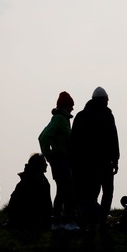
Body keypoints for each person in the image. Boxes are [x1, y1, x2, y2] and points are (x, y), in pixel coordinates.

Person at [70, 86, 120, 230]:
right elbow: (113, 138)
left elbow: (74, 142)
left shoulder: (81, 116)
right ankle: (102, 221)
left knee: (91, 194)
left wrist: (75, 163)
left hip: (87, 163)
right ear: (104, 100)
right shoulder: (107, 115)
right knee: (107, 192)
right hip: (104, 162)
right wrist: (115, 159)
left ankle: (90, 222)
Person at [38, 91, 78, 231]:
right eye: (71, 106)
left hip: (63, 160)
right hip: (61, 160)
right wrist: (49, 156)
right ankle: (67, 222)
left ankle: (58, 222)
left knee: (62, 191)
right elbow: (43, 137)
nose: (73, 108)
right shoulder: (60, 119)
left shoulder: (61, 119)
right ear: (65, 106)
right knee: (66, 191)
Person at [6, 153, 52, 230]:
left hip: (22, 217)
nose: (47, 165)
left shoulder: (37, 177)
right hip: (25, 217)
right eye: (44, 162)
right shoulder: (33, 180)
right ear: (38, 165)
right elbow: (37, 202)